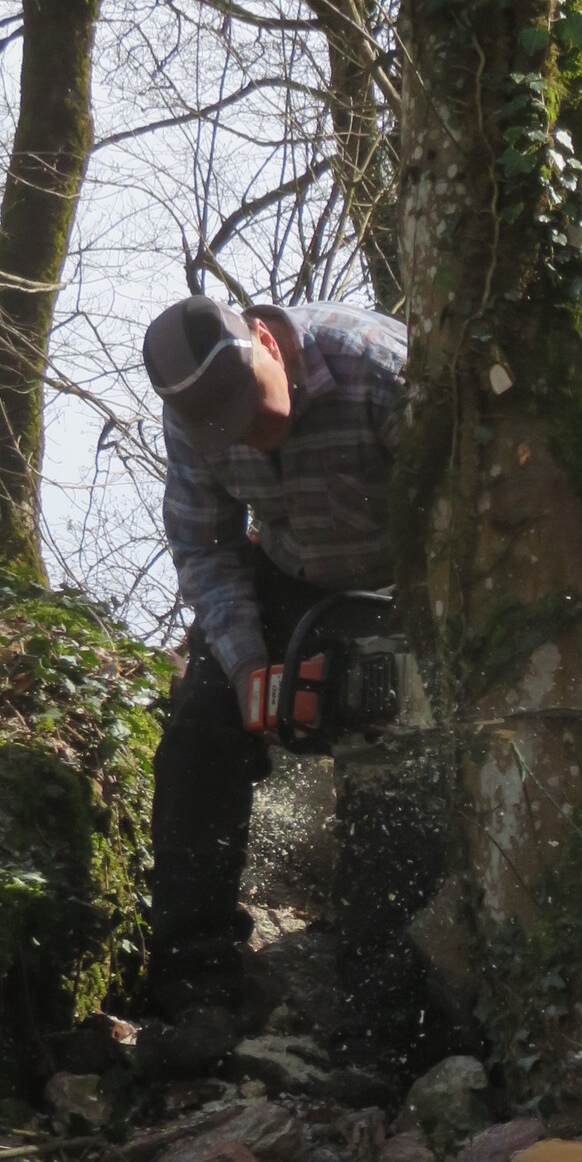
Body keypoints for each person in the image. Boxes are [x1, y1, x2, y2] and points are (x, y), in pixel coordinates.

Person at [139, 294, 408, 1038]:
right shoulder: (192, 420)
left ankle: (384, 1000)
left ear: (264, 338)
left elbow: (464, 518)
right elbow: (205, 548)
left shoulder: (380, 371)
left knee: (395, 762)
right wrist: (248, 666)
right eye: (230, 428)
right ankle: (194, 983)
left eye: (252, 407)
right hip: (288, 581)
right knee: (199, 729)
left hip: (404, 588)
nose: (251, 435)